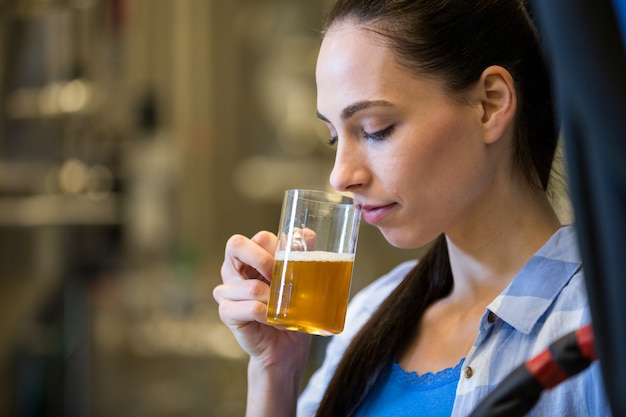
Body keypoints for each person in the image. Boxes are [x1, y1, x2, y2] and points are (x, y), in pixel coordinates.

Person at [212, 0, 612, 416]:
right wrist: (274, 370)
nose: (340, 175)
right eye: (334, 138)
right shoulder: (369, 316)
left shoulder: (597, 325)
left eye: (375, 129)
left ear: (490, 104)